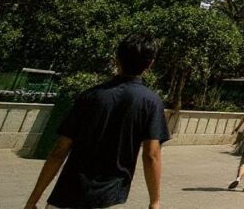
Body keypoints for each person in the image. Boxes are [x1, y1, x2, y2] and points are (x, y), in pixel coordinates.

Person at [24, 35, 170, 209]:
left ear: (117, 59)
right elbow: (151, 155)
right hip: (110, 197)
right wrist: (155, 201)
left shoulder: (90, 96)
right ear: (150, 64)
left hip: (68, 193)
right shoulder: (151, 102)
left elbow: (59, 151)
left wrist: (33, 200)